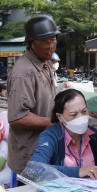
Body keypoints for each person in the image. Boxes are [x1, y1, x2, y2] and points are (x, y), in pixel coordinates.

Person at [7, 15, 59, 175]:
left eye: (53, 39)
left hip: (45, 150)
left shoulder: (47, 64)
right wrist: (55, 123)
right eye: (43, 41)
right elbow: (18, 116)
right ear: (30, 43)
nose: (50, 46)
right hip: (28, 154)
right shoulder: (24, 72)